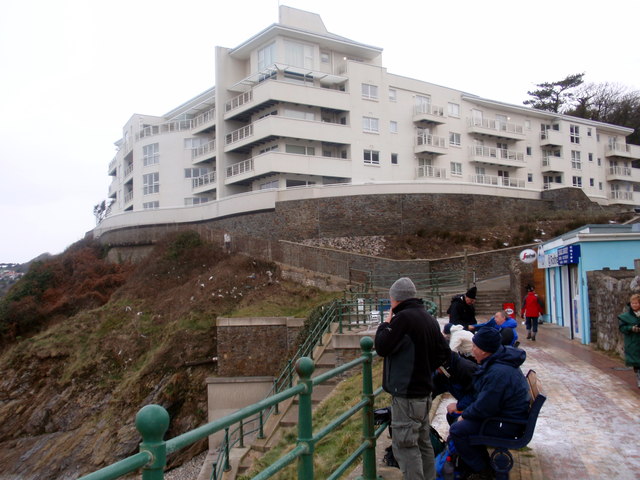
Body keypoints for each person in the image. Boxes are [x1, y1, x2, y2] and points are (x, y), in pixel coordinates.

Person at [375, 277, 451, 480]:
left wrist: (385, 324)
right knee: (422, 443)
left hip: (407, 396)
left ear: (395, 299)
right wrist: (424, 368)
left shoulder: (403, 319)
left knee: (406, 447)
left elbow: (382, 346)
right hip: (423, 392)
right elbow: (444, 353)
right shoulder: (428, 317)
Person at [448, 328, 530, 480]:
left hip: (507, 423)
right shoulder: (496, 362)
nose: (472, 350)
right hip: (506, 416)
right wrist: (462, 408)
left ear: (485, 351)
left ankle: (483, 471)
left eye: (475, 347)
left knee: (458, 430)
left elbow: (486, 406)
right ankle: (476, 464)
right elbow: (482, 396)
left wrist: (464, 414)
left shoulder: (498, 372)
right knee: (457, 421)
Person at [432, 350, 479, 425]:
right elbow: (434, 388)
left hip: (478, 408)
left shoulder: (465, 368)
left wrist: (458, 406)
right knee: (451, 416)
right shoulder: (444, 373)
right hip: (467, 405)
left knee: (456, 423)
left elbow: (476, 393)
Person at [618, 293, 640, 388]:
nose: (634, 305)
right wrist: (631, 328)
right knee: (637, 363)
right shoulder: (625, 316)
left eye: (636, 303)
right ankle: (639, 377)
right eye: (632, 303)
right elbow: (622, 328)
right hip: (633, 342)